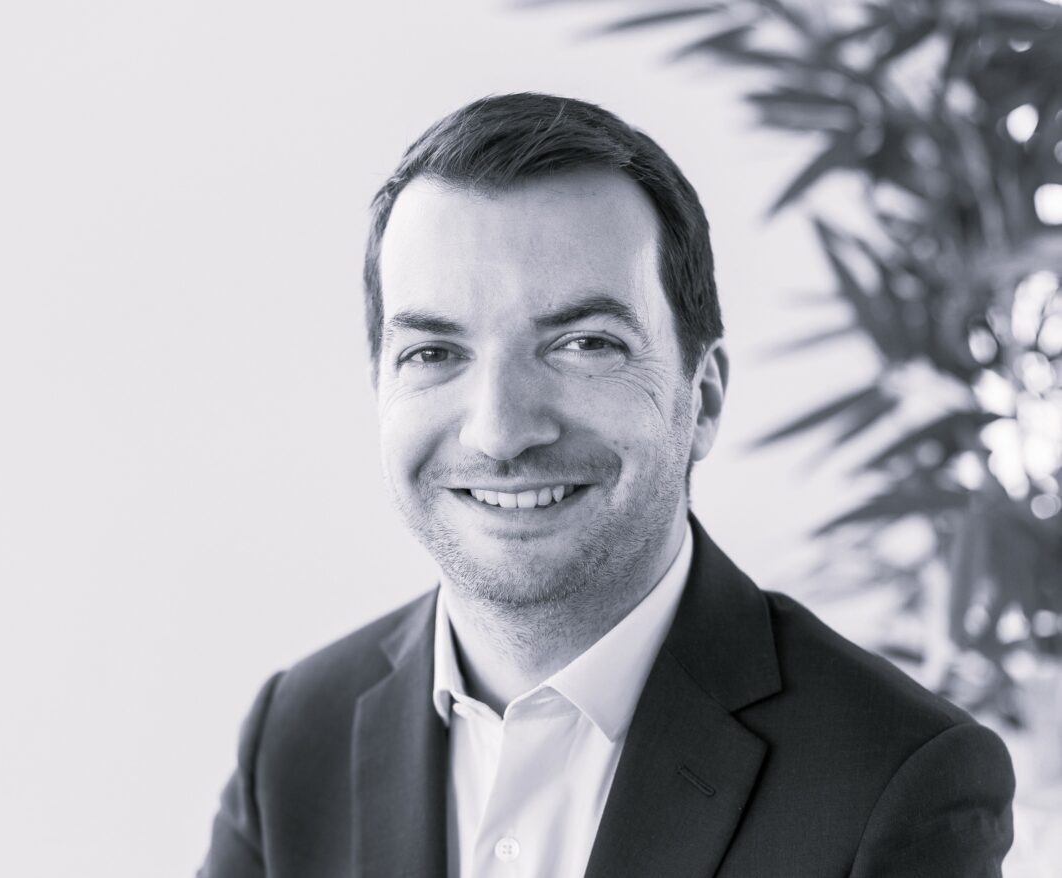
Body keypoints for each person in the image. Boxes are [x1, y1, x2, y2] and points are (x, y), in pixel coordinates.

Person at [199, 93, 1015, 878]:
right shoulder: (295, 737)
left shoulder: (899, 784)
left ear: (703, 398)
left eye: (584, 344)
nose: (500, 431)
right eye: (434, 354)